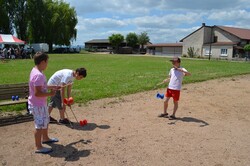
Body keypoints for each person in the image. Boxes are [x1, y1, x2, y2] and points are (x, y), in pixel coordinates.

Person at [28, 52, 59, 154]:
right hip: (37, 105)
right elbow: (37, 93)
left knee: (45, 121)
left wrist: (52, 87)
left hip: (41, 104)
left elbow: (41, 87)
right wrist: (51, 94)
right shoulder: (38, 75)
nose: (47, 64)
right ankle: (38, 146)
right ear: (42, 62)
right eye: (47, 62)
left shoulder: (36, 70)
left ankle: (45, 138)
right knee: (39, 125)